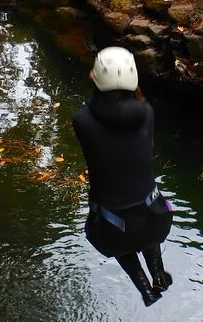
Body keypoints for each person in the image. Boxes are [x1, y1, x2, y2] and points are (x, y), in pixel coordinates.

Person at [72, 46, 173, 307]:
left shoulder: (81, 120)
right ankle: (158, 276)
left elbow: (95, 115)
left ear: (95, 78)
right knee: (143, 216)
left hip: (112, 229)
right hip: (156, 218)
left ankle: (145, 290)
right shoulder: (147, 112)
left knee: (120, 230)